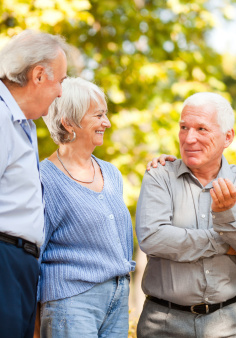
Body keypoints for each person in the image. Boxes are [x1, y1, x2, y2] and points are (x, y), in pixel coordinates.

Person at [135, 92, 236, 338]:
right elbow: (152, 238)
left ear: (228, 137)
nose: (189, 138)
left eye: (201, 129)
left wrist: (227, 215)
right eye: (183, 127)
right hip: (163, 324)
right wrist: (223, 242)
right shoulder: (160, 176)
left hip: (230, 324)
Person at [38, 77, 135, 337]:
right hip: (71, 301)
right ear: (69, 122)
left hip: (117, 297)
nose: (107, 122)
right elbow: (35, 251)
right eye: (99, 115)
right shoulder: (43, 178)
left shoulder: (111, 172)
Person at [0, 30, 68, 338]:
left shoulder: (23, 123)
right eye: (61, 81)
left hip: (19, 265)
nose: (61, 93)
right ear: (39, 75)